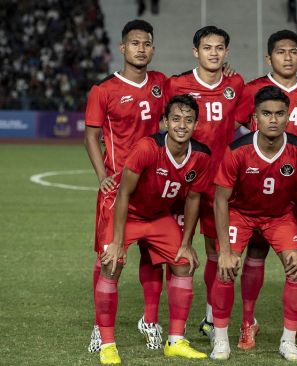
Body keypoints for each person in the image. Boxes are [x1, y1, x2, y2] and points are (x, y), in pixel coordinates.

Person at [210, 85, 297, 361]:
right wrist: (225, 251)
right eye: (266, 113)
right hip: (241, 214)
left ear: (288, 116)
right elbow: (220, 200)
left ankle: (287, 341)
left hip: (280, 216)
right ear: (255, 118)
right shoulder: (237, 151)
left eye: (279, 113)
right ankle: (222, 340)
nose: (273, 119)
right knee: (225, 269)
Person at [94, 95, 210, 364]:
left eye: (189, 120)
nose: (182, 125)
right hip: (129, 214)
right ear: (165, 122)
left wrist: (186, 241)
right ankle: (108, 344)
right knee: (111, 264)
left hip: (158, 217)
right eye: (176, 119)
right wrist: (118, 241)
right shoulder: (147, 147)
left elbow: (193, 199)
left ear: (196, 125)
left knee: (184, 263)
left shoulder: (202, 155)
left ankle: (176, 341)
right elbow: (123, 193)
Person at [232, 29, 297, 350]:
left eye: (294, 51)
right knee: (255, 253)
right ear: (269, 57)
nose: (288, 57)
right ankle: (248, 322)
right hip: (261, 187)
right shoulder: (253, 89)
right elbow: (240, 131)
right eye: (281, 52)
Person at [84, 19, 168, 352]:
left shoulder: (162, 82)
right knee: (109, 260)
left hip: (155, 187)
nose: (141, 48)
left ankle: (149, 321)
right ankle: (98, 326)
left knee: (155, 256)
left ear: (152, 47)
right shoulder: (103, 90)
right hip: (118, 187)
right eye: (135, 43)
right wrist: (100, 175)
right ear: (122, 48)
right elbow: (91, 136)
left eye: (146, 43)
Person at [163, 25, 245, 343]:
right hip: (180, 181)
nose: (214, 53)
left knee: (214, 251)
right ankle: (169, 323)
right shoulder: (177, 84)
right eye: (207, 47)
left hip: (217, 184)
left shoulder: (235, 83)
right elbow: (164, 126)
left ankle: (211, 319)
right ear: (195, 51)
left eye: (219, 47)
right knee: (173, 251)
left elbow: (239, 124)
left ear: (226, 52)